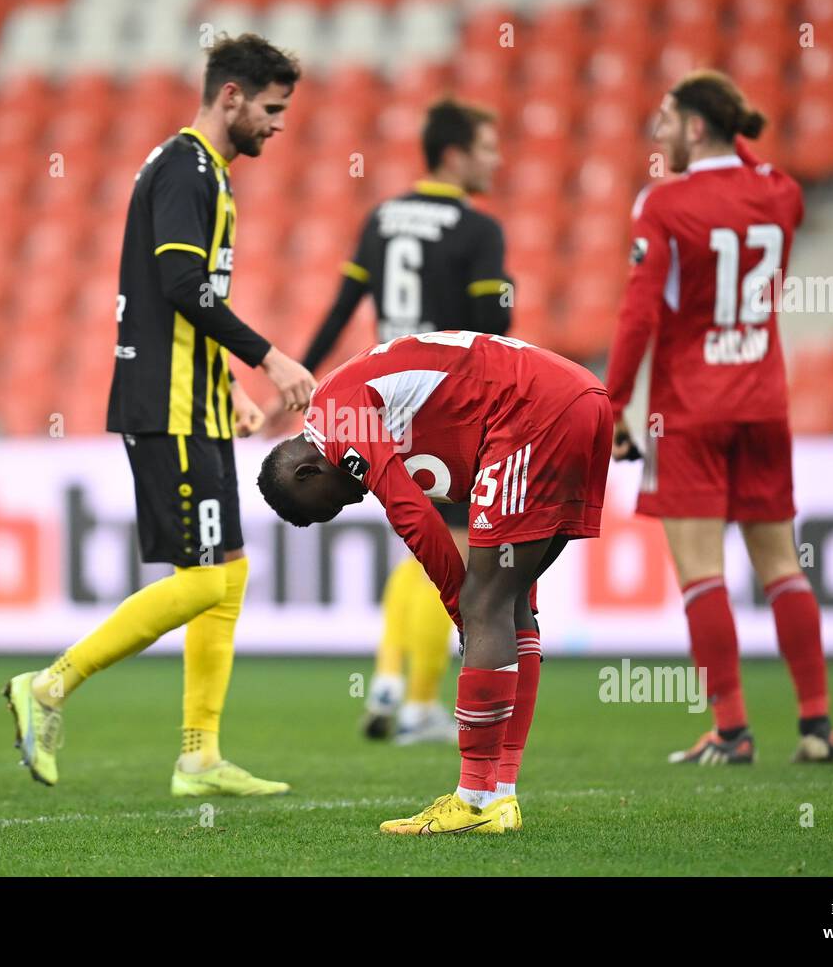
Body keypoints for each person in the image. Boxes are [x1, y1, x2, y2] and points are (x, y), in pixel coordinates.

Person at [4, 33, 316, 795]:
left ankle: (199, 757)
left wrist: (232, 391)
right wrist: (267, 359)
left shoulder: (206, 172)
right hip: (167, 406)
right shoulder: (184, 167)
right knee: (206, 582)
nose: (278, 125)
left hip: (199, 402)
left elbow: (188, 299)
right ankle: (46, 686)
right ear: (231, 96)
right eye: (271, 110)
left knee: (227, 575)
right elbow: (179, 282)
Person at [259, 330, 611, 832]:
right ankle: (501, 798)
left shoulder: (335, 417)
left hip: (536, 408)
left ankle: (471, 800)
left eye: (335, 501)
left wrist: (458, 607)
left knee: (484, 603)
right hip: (578, 398)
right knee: (512, 602)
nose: (354, 501)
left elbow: (412, 513)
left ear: (308, 472)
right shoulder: (354, 405)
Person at [606, 70, 833, 765]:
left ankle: (732, 730)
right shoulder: (781, 191)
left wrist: (612, 402)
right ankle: (817, 726)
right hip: (764, 400)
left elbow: (640, 312)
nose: (658, 132)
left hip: (691, 410)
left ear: (696, 126)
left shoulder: (664, 203)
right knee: (782, 567)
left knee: (702, 573)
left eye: (667, 118)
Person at [299, 98, 513, 744]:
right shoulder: (477, 229)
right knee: (458, 552)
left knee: (420, 549)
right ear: (454, 155)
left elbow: (342, 306)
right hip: (450, 401)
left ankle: (391, 675)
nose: (496, 160)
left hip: (388, 398)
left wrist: (303, 376)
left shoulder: (383, 217)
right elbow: (494, 327)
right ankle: (419, 706)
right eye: (486, 147)